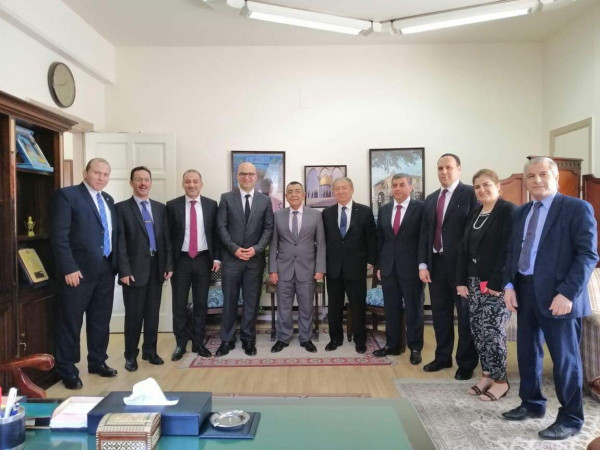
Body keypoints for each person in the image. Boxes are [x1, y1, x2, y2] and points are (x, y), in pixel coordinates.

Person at [502, 157, 598, 440]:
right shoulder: (522, 212)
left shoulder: (576, 208)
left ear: (555, 177)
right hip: (525, 291)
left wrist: (567, 293)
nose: (537, 180)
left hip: (560, 297)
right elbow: (512, 252)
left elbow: (587, 255)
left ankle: (571, 418)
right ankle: (532, 403)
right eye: (531, 176)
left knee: (565, 360)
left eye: (543, 174)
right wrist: (509, 285)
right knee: (527, 352)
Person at [50, 158, 119, 389]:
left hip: (105, 269)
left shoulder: (108, 200)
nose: (101, 177)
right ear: (85, 173)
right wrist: (68, 267)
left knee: (100, 319)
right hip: (77, 273)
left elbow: (110, 234)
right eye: (97, 173)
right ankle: (67, 369)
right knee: (71, 321)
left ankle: (97, 361)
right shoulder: (67, 196)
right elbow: (59, 236)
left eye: (105, 174)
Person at [455, 169, 516, 401]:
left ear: (498, 186)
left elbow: (509, 250)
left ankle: (501, 381)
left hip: (496, 284)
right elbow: (464, 248)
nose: (482, 190)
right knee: (478, 331)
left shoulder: (508, 211)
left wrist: (497, 282)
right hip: (474, 282)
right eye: (477, 187)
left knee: (493, 332)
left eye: (486, 185)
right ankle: (487, 375)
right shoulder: (475, 212)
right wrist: (461, 281)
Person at [418, 153, 479, 380]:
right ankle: (442, 357)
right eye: (440, 168)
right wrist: (423, 264)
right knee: (440, 315)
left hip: (461, 268)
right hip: (436, 265)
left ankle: (466, 363)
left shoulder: (471, 194)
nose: (444, 172)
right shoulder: (431, 198)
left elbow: (474, 234)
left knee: (464, 316)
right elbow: (425, 234)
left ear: (459, 169)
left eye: (449, 167)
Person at [116, 166, 173, 372]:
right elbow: (120, 242)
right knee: (134, 316)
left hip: (156, 268)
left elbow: (166, 239)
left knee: (152, 315)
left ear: (150, 182)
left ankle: (150, 351)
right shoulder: (121, 208)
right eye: (138, 179)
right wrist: (124, 270)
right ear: (131, 182)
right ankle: (131, 356)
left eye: (146, 179)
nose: (143, 183)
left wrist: (168, 265)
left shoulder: (160, 208)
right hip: (133, 271)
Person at [215, 162, 274, 357]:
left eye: (250, 174)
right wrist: (234, 249)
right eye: (243, 174)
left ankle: (248, 339)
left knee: (251, 301)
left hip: (254, 261)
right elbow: (221, 227)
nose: (247, 177)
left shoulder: (264, 201)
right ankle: (227, 339)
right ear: (237, 176)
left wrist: (256, 249)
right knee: (230, 301)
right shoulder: (226, 198)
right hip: (232, 259)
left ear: (256, 177)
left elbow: (268, 228)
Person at [166, 170, 220, 361]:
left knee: (200, 303)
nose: (191, 185)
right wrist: (168, 264)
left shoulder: (211, 205)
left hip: (203, 260)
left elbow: (216, 234)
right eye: (188, 181)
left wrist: (217, 259)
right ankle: (181, 344)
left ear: (201, 184)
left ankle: (198, 342)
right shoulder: (172, 206)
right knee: (179, 304)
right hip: (180, 261)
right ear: (183, 184)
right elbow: (167, 238)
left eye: (195, 181)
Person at [269, 181, 326, 353]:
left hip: (307, 269)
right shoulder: (278, 215)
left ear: (303, 195)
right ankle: (283, 338)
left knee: (306, 306)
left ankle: (305, 338)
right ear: (286, 196)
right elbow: (273, 244)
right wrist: (272, 269)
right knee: (284, 307)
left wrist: (320, 269)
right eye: (290, 192)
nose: (294, 194)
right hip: (283, 269)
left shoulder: (315, 215)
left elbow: (321, 243)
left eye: (297, 191)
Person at [374, 174, 424, 364]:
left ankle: (415, 348)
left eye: (402, 185)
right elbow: (381, 240)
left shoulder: (420, 208)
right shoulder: (385, 210)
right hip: (389, 268)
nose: (397, 188)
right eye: (394, 185)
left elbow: (424, 240)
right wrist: (379, 265)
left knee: (414, 309)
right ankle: (392, 345)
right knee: (391, 309)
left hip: (412, 268)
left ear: (410, 187)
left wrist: (423, 265)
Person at [322, 177, 377, 354]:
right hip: (333, 268)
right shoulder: (327, 213)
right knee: (334, 306)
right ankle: (335, 339)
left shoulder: (365, 212)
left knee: (358, 306)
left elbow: (372, 239)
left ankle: (360, 340)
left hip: (356, 267)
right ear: (333, 192)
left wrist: (370, 261)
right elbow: (323, 242)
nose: (340, 191)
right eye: (337, 188)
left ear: (352, 189)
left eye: (344, 188)